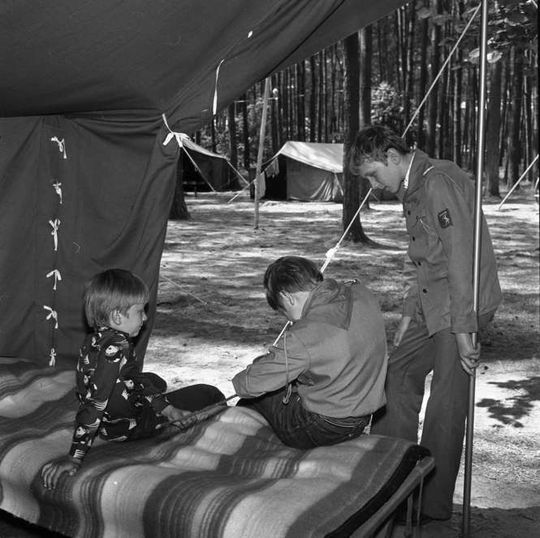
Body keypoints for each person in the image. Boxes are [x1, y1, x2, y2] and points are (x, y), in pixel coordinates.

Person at [349, 125, 502, 523]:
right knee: (397, 374)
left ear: (392, 157)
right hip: (434, 301)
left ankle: (429, 505)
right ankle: (390, 482)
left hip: (462, 305)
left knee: (446, 404)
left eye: (373, 174)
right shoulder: (413, 186)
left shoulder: (437, 183)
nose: (372, 186)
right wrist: (408, 311)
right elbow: (425, 257)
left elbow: (461, 259)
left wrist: (465, 329)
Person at [41, 268, 225, 490]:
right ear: (117, 316)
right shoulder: (118, 347)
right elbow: (95, 403)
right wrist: (74, 456)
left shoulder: (94, 339)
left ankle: (160, 407)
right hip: (129, 428)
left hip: (109, 422)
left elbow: (130, 378)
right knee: (208, 392)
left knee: (153, 380)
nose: (145, 318)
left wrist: (168, 408)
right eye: (139, 311)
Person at [232, 256, 387, 450]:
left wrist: (243, 378)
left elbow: (248, 385)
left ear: (287, 297)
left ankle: (248, 455)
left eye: (282, 311)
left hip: (324, 426)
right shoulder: (361, 292)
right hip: (362, 415)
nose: (288, 319)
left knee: (254, 400)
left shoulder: (304, 334)